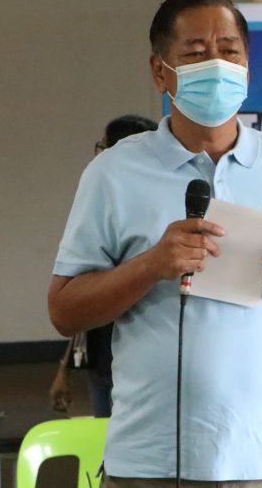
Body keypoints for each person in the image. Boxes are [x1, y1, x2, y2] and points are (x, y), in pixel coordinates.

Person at [48, 0, 262, 488]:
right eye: (197, 54)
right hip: (154, 456)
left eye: (230, 51)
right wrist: (150, 265)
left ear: (248, 64)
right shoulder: (114, 172)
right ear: (161, 72)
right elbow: (64, 310)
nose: (218, 65)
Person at [49, 114, 158, 417]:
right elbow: (76, 302)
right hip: (100, 360)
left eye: (104, 149)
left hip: (141, 368)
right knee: (105, 451)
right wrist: (64, 370)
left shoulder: (156, 222)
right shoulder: (101, 210)